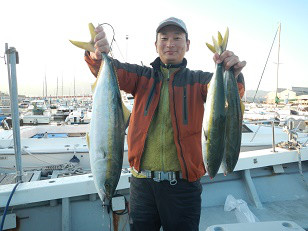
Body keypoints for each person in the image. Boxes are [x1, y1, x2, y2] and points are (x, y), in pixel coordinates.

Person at [85, 17, 246, 231]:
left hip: (183, 187)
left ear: (187, 45)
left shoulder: (200, 81)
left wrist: (233, 73)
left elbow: (230, 93)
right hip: (142, 186)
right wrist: (97, 55)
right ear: (156, 45)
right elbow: (111, 71)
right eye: (164, 38)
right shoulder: (142, 77)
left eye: (177, 38)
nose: (170, 43)